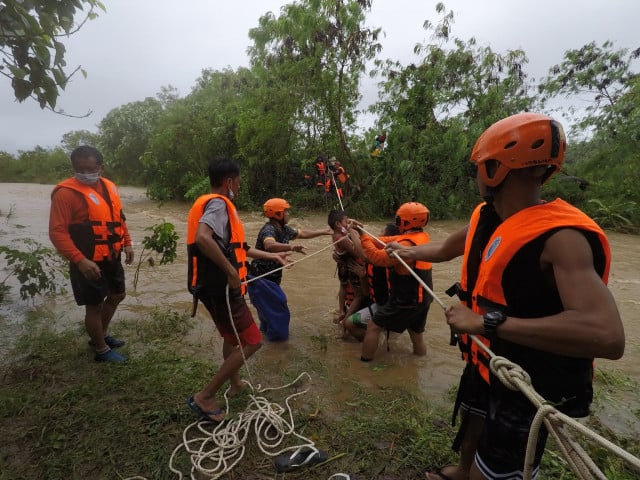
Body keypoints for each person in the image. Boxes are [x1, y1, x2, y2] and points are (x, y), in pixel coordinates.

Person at [389, 113, 625, 480]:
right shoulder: (489, 215)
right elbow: (450, 248)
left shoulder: (562, 238)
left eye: (482, 166)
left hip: (526, 379)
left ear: (495, 170)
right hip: (488, 358)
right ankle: (463, 469)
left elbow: (608, 336)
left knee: (499, 467)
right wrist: (408, 253)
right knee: (474, 417)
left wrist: (485, 322)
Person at [186, 157, 290, 422]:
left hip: (214, 287)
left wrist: (274, 257)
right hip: (221, 287)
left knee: (231, 338)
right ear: (229, 181)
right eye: (239, 182)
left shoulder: (209, 203)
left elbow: (240, 249)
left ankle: (235, 384)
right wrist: (232, 272)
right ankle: (205, 395)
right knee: (253, 341)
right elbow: (202, 238)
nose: (240, 187)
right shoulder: (219, 204)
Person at [49, 145, 134, 363]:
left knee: (117, 295)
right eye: (80, 169)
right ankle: (101, 350)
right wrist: (80, 260)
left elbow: (119, 218)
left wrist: (127, 243)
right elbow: (57, 232)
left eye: (90, 169)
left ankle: (100, 336)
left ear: (101, 168)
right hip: (87, 259)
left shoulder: (109, 187)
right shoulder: (65, 194)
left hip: (111, 255)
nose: (86, 174)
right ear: (73, 167)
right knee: (94, 305)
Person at [354, 202, 433, 361]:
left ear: (406, 222)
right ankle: (420, 363)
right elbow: (383, 240)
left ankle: (365, 362)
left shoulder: (404, 244)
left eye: (399, 220)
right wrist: (363, 232)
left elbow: (376, 258)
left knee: (373, 327)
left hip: (406, 299)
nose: (397, 223)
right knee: (416, 335)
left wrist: (362, 237)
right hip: (423, 298)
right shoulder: (420, 237)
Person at [248, 198, 332, 341]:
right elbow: (269, 245)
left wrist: (325, 231)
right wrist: (291, 247)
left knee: (269, 318)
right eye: (286, 211)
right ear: (278, 214)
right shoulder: (269, 229)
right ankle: (279, 350)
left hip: (267, 282)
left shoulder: (284, 229)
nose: (288, 214)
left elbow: (303, 233)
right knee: (280, 312)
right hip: (261, 281)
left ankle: (267, 346)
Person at [343, 222, 398, 341]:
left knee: (349, 323)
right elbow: (367, 293)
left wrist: (353, 231)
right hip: (375, 301)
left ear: (388, 237)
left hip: (385, 305)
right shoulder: (379, 251)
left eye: (382, 231)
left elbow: (364, 254)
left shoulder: (383, 254)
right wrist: (362, 277)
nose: (379, 234)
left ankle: (373, 341)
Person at [328, 210, 365, 336]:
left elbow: (362, 227)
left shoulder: (336, 233)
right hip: (351, 267)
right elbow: (356, 252)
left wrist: (352, 223)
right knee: (359, 295)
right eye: (346, 221)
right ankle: (345, 321)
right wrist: (352, 233)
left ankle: (342, 311)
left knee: (342, 286)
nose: (348, 222)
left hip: (342, 266)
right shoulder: (342, 238)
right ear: (338, 224)